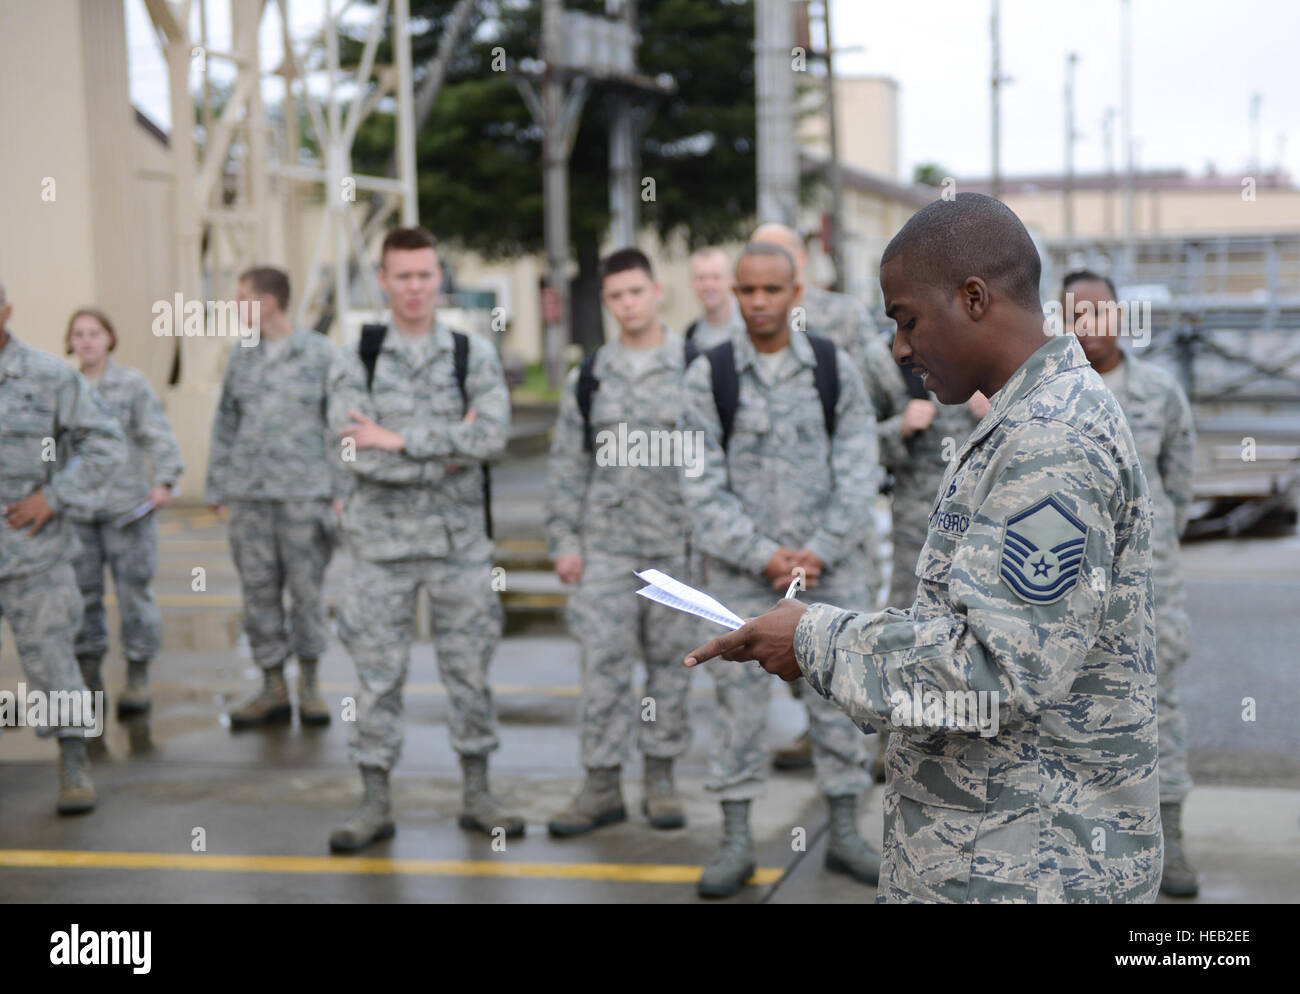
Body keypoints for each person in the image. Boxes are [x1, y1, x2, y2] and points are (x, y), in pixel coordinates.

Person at [686, 194, 1163, 903]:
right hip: (992, 853)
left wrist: (815, 639)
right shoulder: (1024, 421)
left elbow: (995, 670)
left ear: (974, 298)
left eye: (906, 320)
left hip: (1030, 866)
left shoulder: (1050, 442)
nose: (900, 349)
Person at [681, 242, 881, 898]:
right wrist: (764, 555)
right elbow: (700, 486)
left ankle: (846, 832)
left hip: (831, 573)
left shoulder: (833, 367)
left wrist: (818, 549)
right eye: (747, 291)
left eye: (772, 290)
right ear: (733, 295)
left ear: (797, 294)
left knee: (839, 701)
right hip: (744, 575)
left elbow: (858, 469)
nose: (760, 303)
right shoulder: (708, 376)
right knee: (737, 711)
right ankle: (736, 839)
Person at [326, 226, 520, 852]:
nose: (413, 287)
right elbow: (355, 450)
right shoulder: (354, 355)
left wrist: (400, 438)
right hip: (377, 551)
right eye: (401, 276)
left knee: (469, 673)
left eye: (424, 274)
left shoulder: (472, 353)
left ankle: (478, 793)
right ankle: (375, 801)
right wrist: (446, 447)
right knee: (377, 679)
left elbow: (492, 438)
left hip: (458, 548)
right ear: (382, 281)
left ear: (440, 277)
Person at [544, 248, 697, 836]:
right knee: (602, 667)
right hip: (605, 548)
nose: (628, 304)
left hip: (674, 547)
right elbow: (566, 463)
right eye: (616, 296)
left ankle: (660, 779)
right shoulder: (591, 375)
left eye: (637, 291)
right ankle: (601, 784)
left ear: (658, 291)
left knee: (670, 669)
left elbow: (716, 461)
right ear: (606, 302)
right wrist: (563, 539)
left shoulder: (695, 368)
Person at [1062, 268, 1199, 897]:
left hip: (1151, 584)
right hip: (1075, 582)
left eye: (1099, 312)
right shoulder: (1052, 395)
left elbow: (1179, 484)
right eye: (1075, 315)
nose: (1089, 326)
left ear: (1120, 314)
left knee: (1159, 702)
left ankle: (1170, 836)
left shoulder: (1159, 393)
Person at [748, 222, 895, 771]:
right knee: (778, 645)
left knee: (840, 648)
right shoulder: (741, 339)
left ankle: (852, 756)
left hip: (832, 521)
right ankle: (815, 735)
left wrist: (887, 436)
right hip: (767, 531)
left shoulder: (845, 322)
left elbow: (887, 391)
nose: (766, 277)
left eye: (780, 260)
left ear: (800, 271)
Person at [0, 278, 126, 813]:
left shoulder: (48, 376)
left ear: (5, 310)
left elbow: (106, 442)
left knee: (53, 662)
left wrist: (56, 496)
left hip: (33, 552)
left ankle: (74, 762)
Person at [206, 266, 342, 729]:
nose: (234, 304)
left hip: (305, 494)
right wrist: (217, 484)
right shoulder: (241, 355)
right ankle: (272, 686)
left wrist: (340, 491)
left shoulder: (321, 354)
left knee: (306, 593)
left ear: (268, 301)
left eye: (242, 296)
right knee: (257, 591)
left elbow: (340, 425)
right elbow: (226, 421)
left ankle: (310, 683)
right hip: (250, 495)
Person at [65, 307, 183, 718]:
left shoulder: (131, 384)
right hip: (78, 513)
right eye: (78, 334)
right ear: (70, 342)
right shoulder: (64, 386)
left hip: (127, 511)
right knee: (82, 600)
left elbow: (157, 432)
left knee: (135, 597)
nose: (86, 341)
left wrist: (166, 479)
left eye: (94, 332)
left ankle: (137, 676)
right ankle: (90, 678)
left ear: (110, 338)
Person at [683, 246, 744, 349]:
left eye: (716, 277)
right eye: (701, 278)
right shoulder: (691, 335)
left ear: (732, 280)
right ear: (691, 283)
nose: (708, 285)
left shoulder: (751, 326)